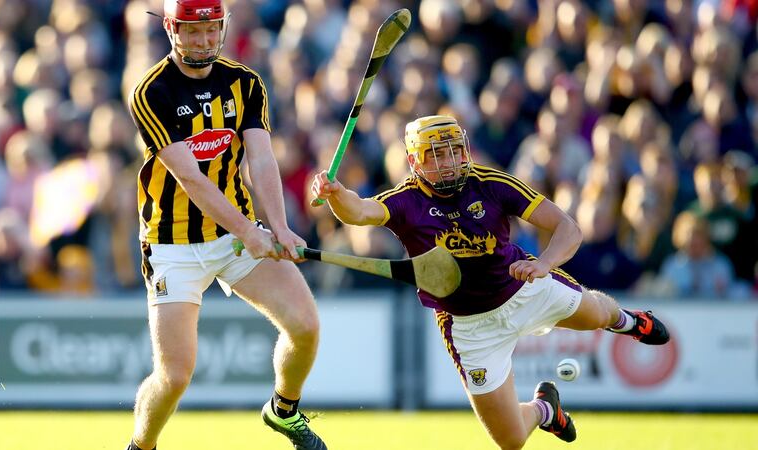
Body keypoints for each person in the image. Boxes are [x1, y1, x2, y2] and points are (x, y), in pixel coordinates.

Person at [311, 115, 670, 449]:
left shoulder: (491, 183)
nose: (449, 161)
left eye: (453, 150)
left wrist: (544, 263)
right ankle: (546, 410)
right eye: (436, 155)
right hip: (469, 327)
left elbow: (568, 228)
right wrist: (337, 195)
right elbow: (359, 212)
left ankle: (630, 321)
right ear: (415, 162)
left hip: (523, 287)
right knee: (510, 441)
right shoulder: (407, 200)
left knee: (597, 316)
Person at [125, 1, 326, 449]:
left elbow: (261, 158)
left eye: (210, 30)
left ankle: (283, 410)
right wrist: (251, 232)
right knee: (175, 375)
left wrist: (279, 225)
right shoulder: (151, 91)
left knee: (305, 326)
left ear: (223, 28)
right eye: (191, 32)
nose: (202, 41)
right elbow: (191, 178)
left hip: (232, 239)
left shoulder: (245, 83)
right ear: (171, 29)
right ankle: (141, 445)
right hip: (171, 244)